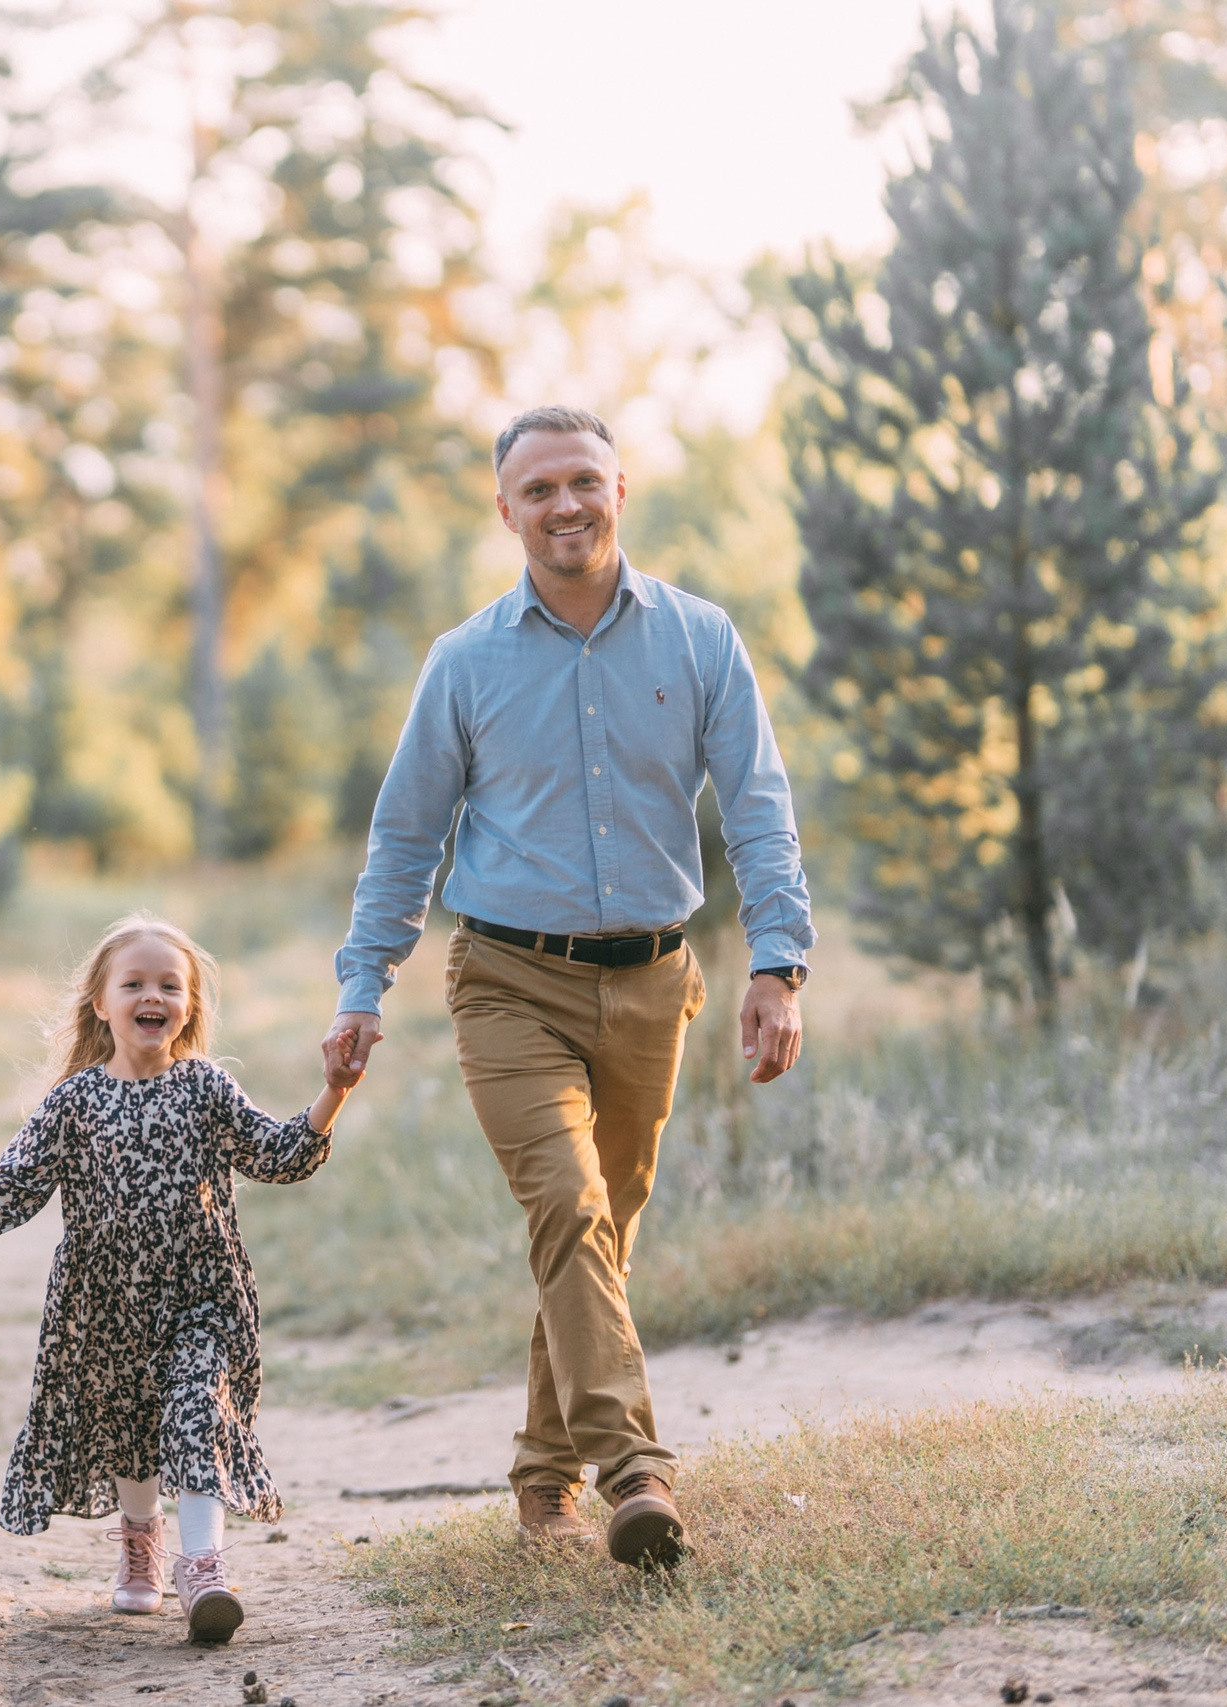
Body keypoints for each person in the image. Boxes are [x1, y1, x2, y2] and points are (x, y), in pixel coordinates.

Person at [323, 405, 813, 1571]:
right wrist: (362, 983)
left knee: (599, 1233)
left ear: (619, 490)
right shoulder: (465, 661)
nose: (563, 507)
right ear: (506, 513)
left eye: (581, 482)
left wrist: (779, 965)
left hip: (654, 984)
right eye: (536, 490)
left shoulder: (698, 639)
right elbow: (404, 840)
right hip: (505, 981)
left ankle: (543, 1474)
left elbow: (757, 807)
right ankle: (635, 1469)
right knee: (569, 1209)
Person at [0, 913, 359, 1645]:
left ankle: (204, 1566)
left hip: (202, 1294)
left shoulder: (205, 1087)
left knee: (196, 1410)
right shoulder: (74, 1101)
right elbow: (14, 1186)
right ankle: (141, 1541)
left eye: (170, 983)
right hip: (104, 1303)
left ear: (188, 1004)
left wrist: (336, 1090)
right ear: (101, 1002)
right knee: (131, 1428)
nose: (152, 994)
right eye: (133, 983)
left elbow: (280, 1153)